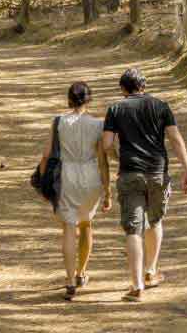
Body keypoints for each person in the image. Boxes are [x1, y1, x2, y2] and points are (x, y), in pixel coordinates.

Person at [102, 68, 187, 303]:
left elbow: (107, 143)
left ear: (123, 89)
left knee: (133, 229)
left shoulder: (115, 109)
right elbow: (174, 138)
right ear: (144, 86)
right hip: (157, 172)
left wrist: (116, 156)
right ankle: (151, 271)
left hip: (130, 172)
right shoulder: (161, 106)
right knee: (155, 221)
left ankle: (137, 285)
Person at [38, 82, 112, 301]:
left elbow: (46, 154)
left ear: (69, 99)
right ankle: (81, 273)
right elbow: (103, 160)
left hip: (66, 175)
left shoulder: (59, 122)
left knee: (69, 227)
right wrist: (108, 190)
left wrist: (43, 182)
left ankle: (70, 280)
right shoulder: (98, 124)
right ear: (89, 99)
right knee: (87, 223)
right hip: (90, 175)